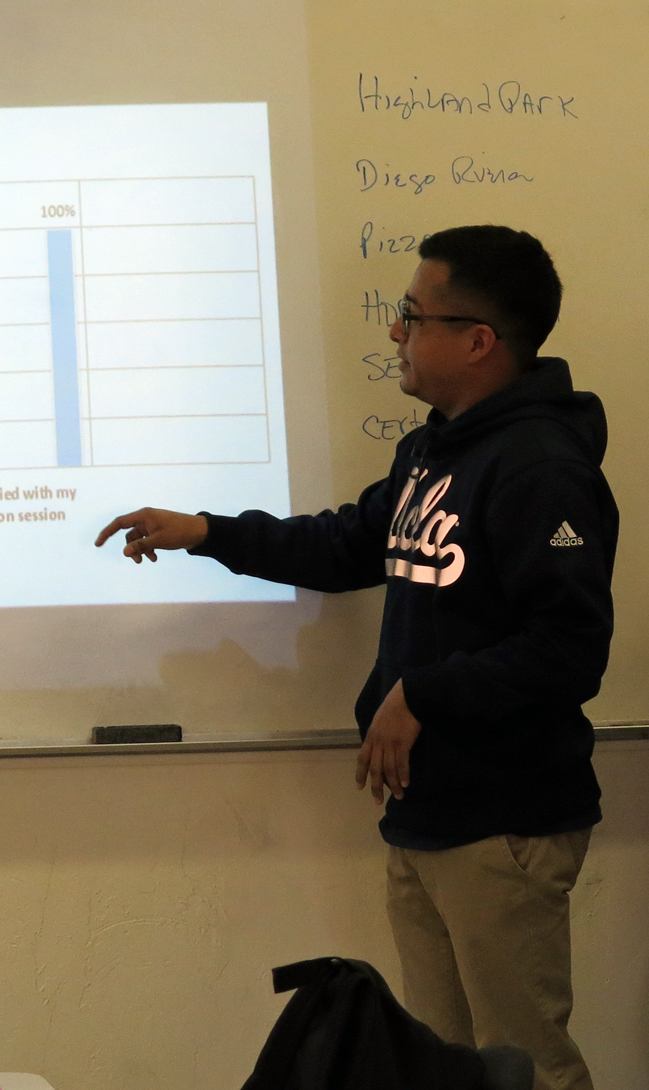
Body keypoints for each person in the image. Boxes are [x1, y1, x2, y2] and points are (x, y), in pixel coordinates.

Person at [95, 225, 616, 1090]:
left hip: (506, 819)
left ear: (478, 341)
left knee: (528, 1066)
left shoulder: (541, 467)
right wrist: (208, 532)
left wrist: (423, 694)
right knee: (441, 1069)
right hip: (427, 813)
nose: (395, 331)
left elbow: (570, 647)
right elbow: (345, 546)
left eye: (413, 314)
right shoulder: (431, 451)